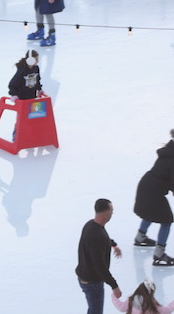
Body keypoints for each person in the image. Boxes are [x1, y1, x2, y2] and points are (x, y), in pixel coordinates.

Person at [133, 130, 174, 266]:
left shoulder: (169, 150)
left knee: (151, 212)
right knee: (167, 220)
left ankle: (140, 237)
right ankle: (159, 254)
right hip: (153, 190)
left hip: (147, 184)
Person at [76, 198, 123, 314]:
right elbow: (99, 265)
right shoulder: (97, 236)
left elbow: (101, 241)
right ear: (106, 214)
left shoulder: (90, 225)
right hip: (92, 282)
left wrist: (114, 245)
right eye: (111, 211)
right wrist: (114, 286)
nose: (112, 213)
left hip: (85, 276)